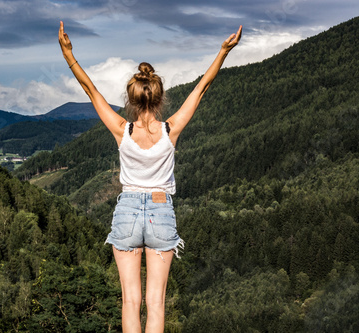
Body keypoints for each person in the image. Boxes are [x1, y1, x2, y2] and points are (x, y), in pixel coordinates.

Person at [58, 21, 242, 333]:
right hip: (161, 211)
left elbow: (90, 90)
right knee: (155, 302)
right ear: (158, 99)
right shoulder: (171, 130)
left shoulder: (122, 130)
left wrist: (68, 54)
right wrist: (223, 52)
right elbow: (202, 88)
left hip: (127, 211)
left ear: (131, 100)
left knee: (131, 300)